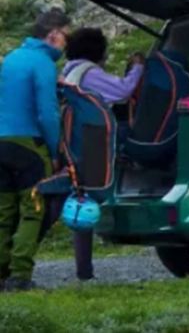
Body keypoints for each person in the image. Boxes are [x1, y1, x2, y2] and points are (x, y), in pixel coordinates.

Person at [62, 28, 145, 282]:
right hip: (90, 140)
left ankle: (84, 271)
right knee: (86, 198)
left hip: (70, 138)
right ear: (98, 51)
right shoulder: (89, 72)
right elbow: (122, 91)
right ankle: (84, 271)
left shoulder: (69, 71)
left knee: (77, 196)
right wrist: (138, 68)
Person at [0, 7, 70, 292]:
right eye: (66, 36)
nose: (67, 42)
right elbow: (47, 113)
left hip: (1, 142)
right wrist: (55, 152)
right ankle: (20, 276)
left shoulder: (13, 58)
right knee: (33, 209)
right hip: (29, 144)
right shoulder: (43, 62)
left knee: (3, 211)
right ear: (53, 35)